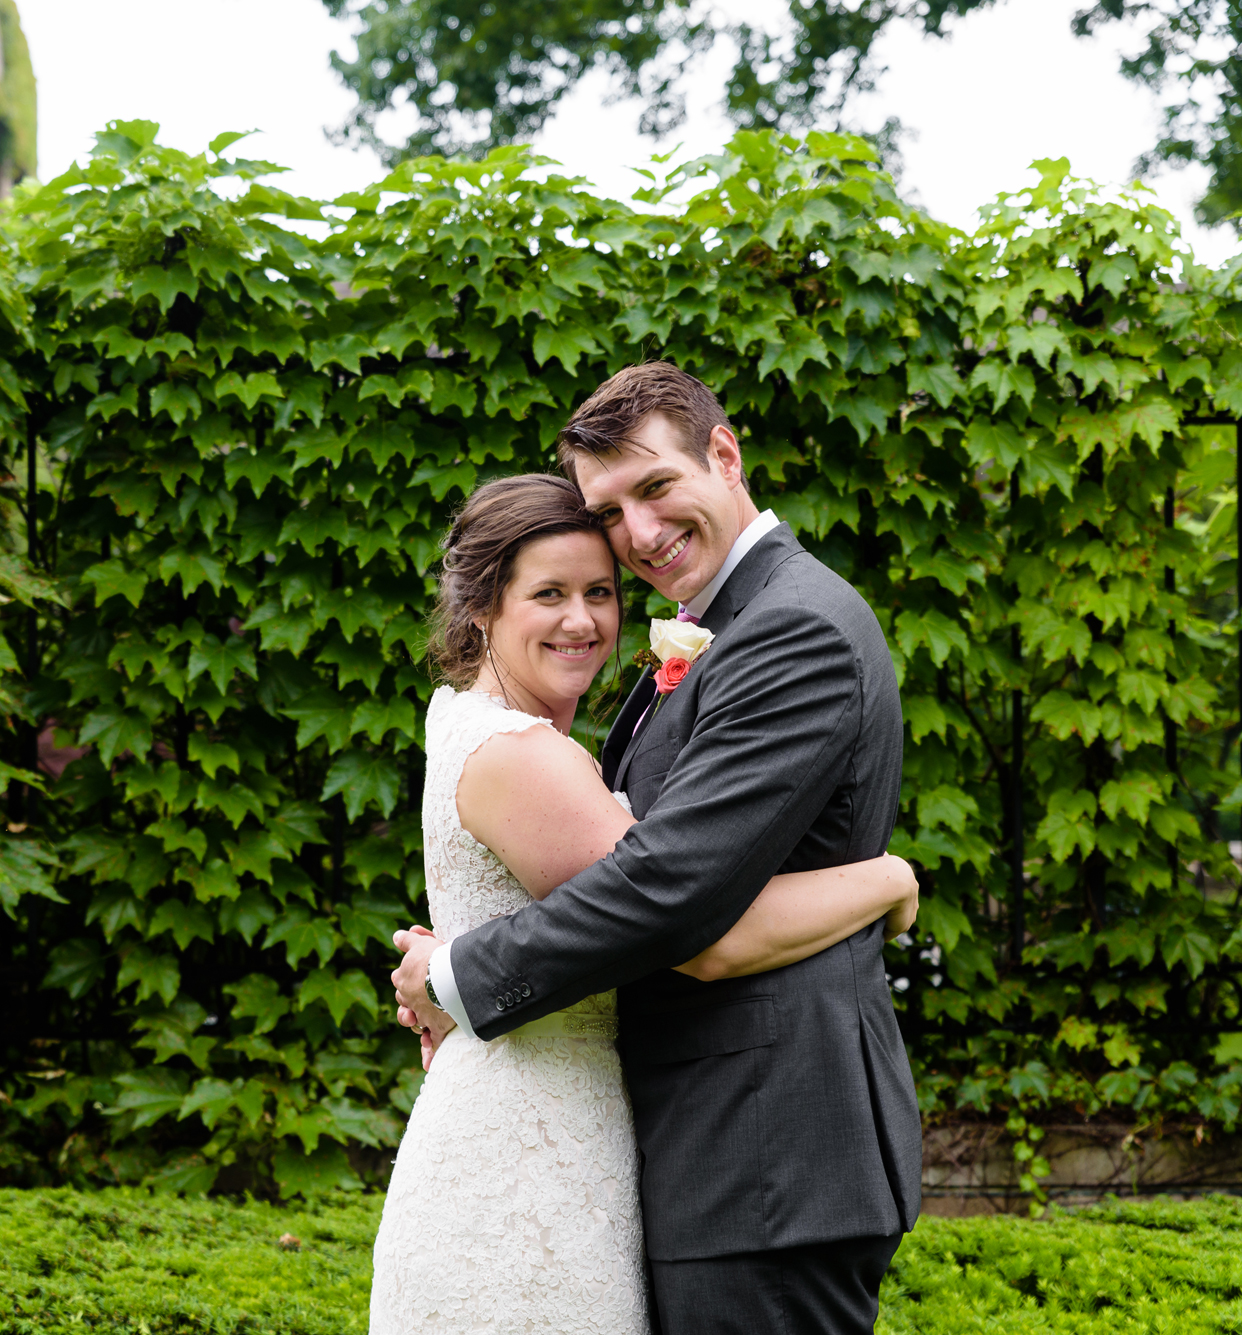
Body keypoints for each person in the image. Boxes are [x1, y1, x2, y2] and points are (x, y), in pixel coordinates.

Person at [392, 363, 924, 1335]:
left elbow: (671, 889)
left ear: (722, 454)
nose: (637, 533)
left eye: (654, 487)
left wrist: (460, 973)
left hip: (765, 1153)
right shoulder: (723, 624)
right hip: (713, 1146)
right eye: (610, 509)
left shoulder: (788, 628)